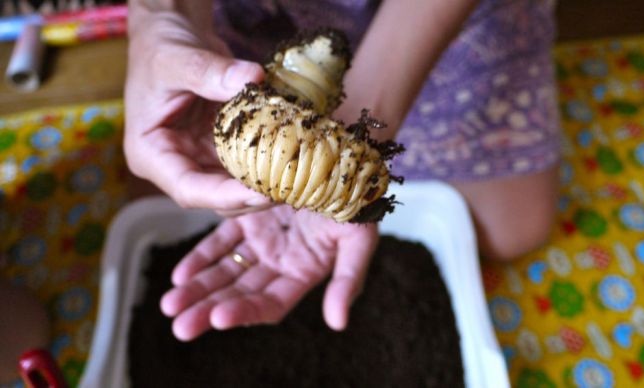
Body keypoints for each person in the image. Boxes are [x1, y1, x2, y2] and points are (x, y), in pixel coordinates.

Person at [125, 0, 560, 341]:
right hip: (237, 36)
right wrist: (161, 18)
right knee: (152, 186)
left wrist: (371, 107)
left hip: (434, 21)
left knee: (515, 227)